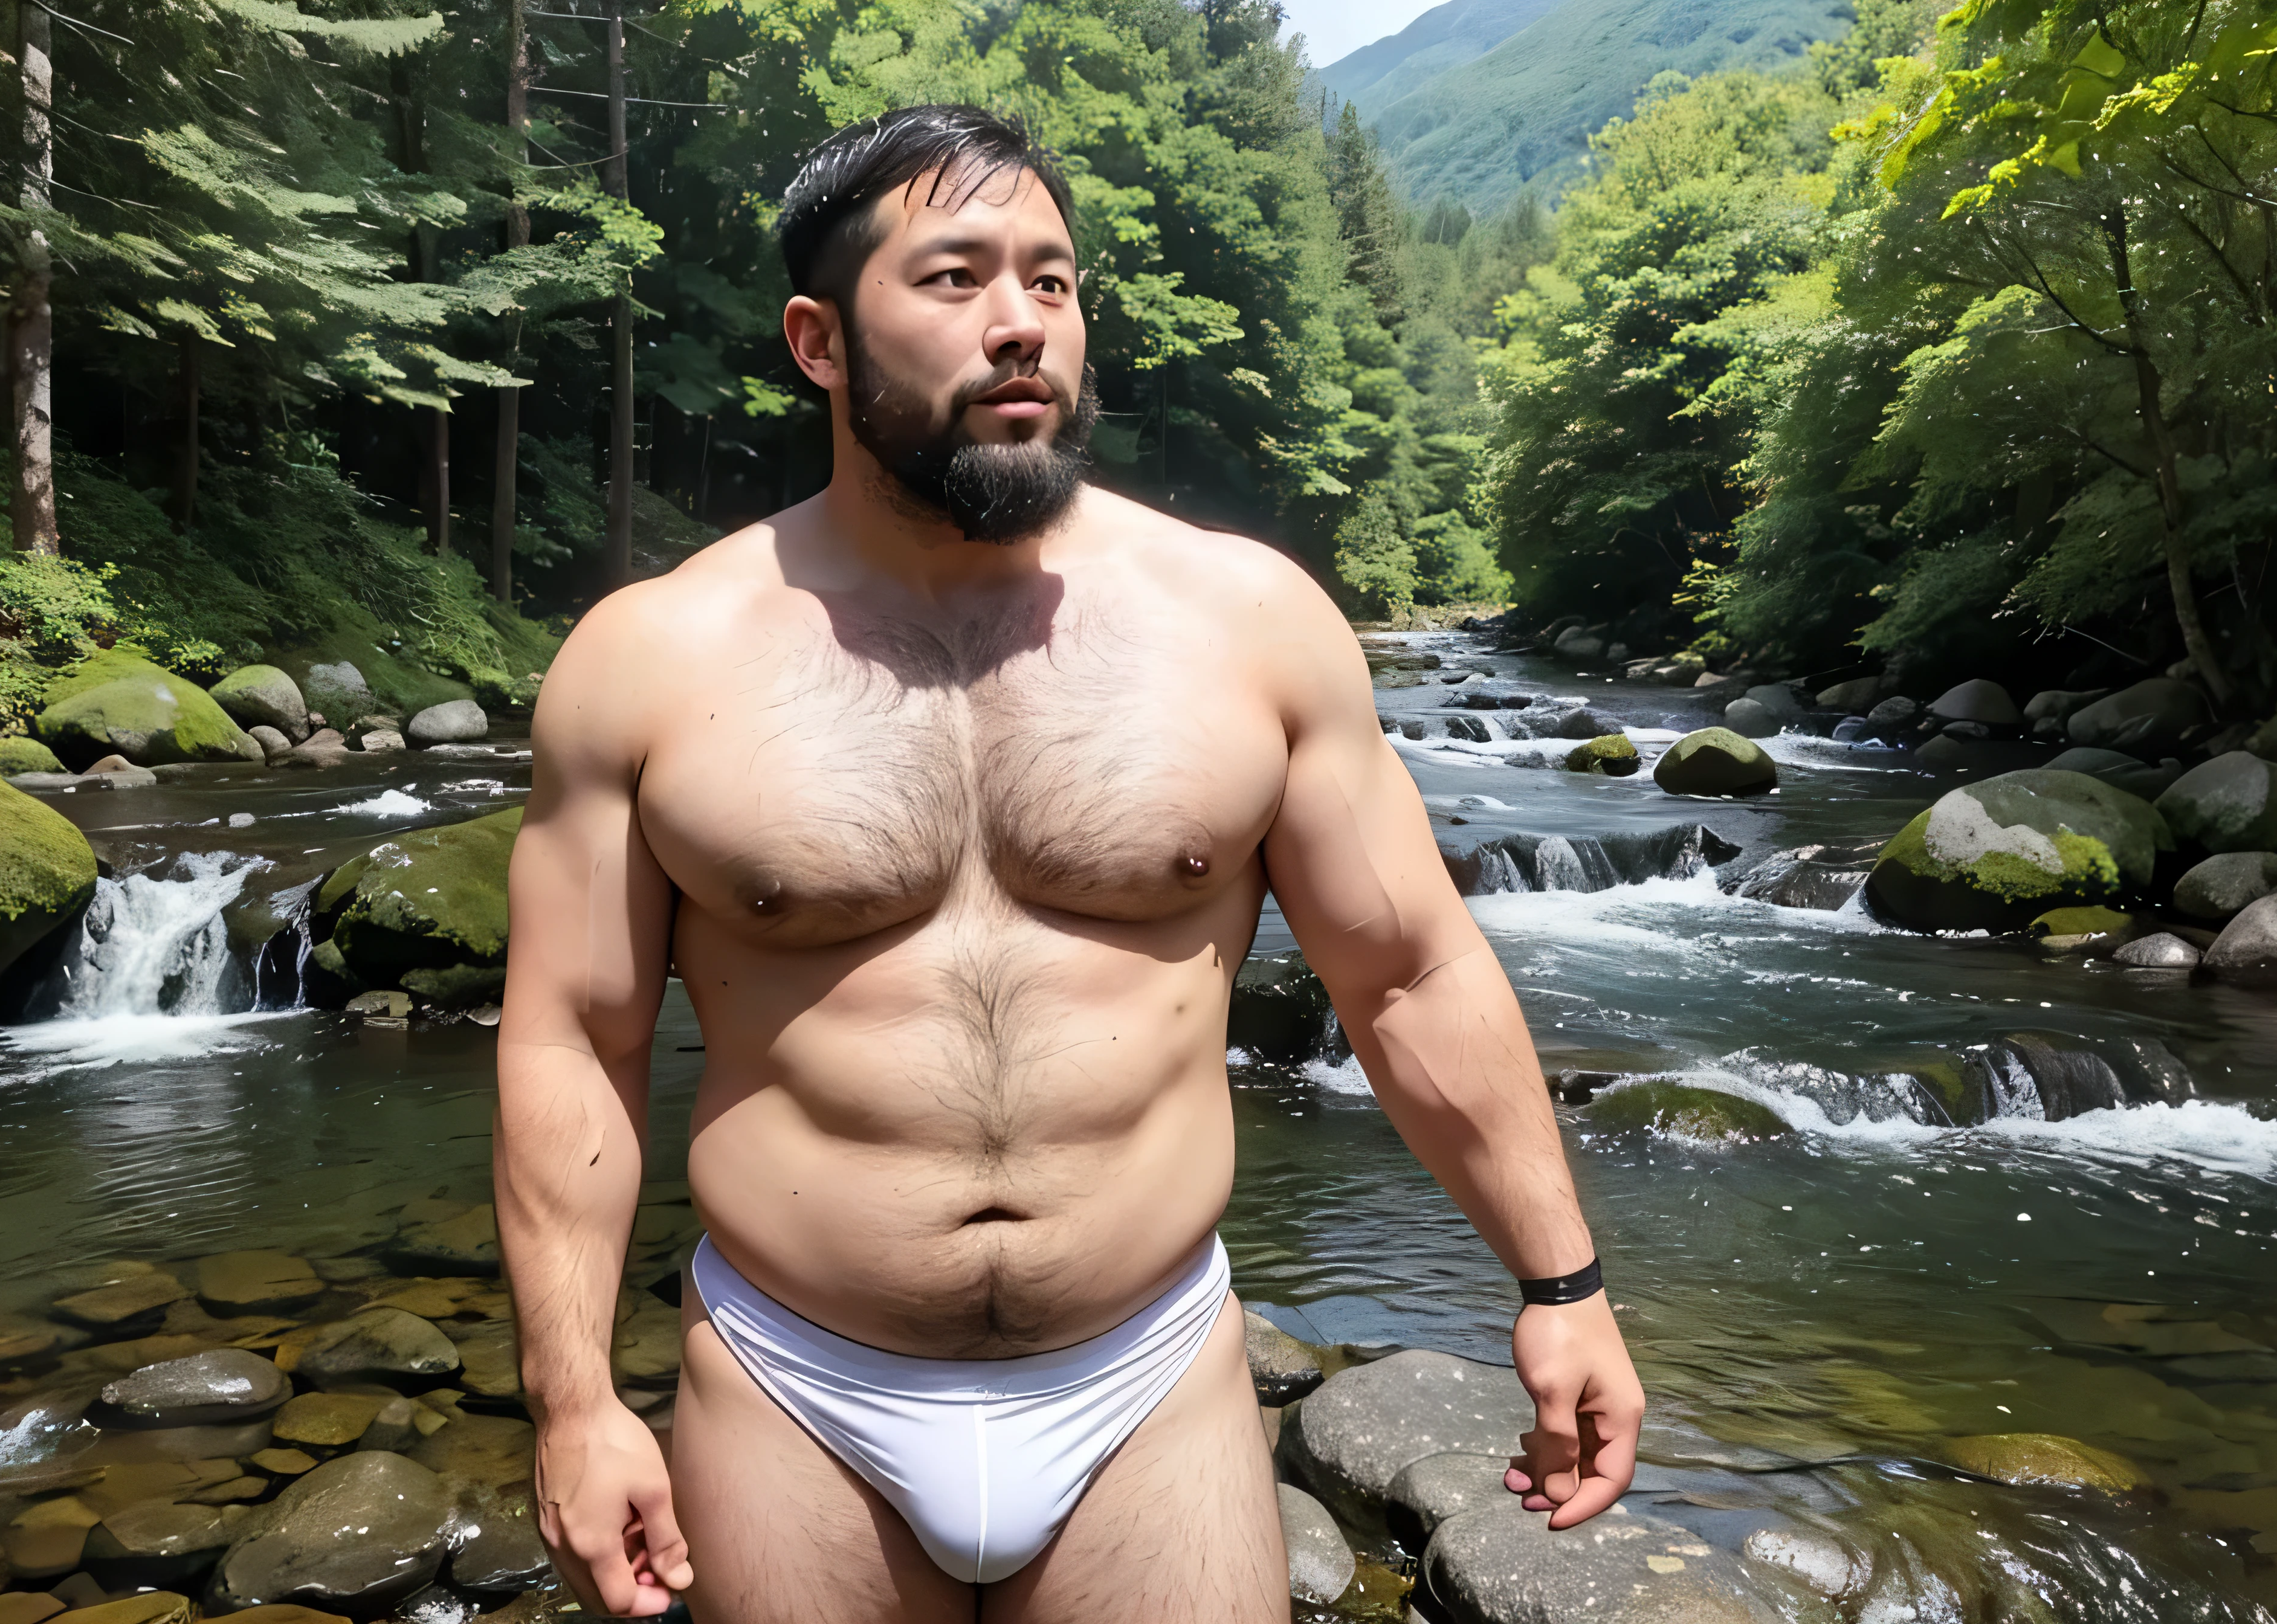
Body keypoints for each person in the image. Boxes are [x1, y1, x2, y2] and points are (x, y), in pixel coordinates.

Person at [494, 103, 1642, 1624]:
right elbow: (577, 1037)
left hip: (1142, 1382)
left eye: (1050, 280)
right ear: (818, 341)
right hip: (796, 1385)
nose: (1021, 323)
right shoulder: (649, 660)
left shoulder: (1247, 624)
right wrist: (572, 1401)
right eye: (955, 277)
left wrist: (1561, 1286)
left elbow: (1408, 972)